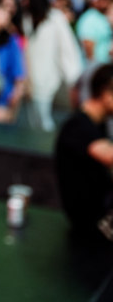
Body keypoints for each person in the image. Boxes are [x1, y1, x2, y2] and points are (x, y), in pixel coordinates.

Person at [55, 63, 113, 243]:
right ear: (106, 93)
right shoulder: (78, 127)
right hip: (90, 223)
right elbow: (109, 156)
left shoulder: (98, 124)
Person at [21, 0, 82, 131]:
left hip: (48, 76)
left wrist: (73, 76)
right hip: (30, 76)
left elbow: (67, 48)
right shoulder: (26, 19)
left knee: (44, 119)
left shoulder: (55, 18)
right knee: (32, 119)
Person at [76, 0, 113, 67]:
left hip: (105, 67)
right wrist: (94, 69)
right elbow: (88, 46)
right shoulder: (89, 19)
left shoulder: (104, 17)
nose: (105, 1)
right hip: (95, 69)